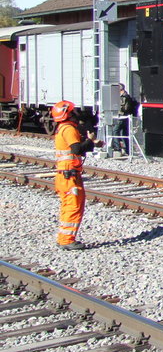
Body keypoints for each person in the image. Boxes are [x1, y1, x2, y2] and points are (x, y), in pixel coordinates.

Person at [52, 100, 101, 250]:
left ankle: (64, 238)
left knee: (69, 206)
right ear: (68, 114)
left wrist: (92, 143)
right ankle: (66, 240)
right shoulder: (68, 129)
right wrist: (90, 141)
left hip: (66, 174)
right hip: (69, 175)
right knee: (73, 206)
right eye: (73, 111)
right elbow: (77, 149)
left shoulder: (64, 128)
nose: (76, 114)